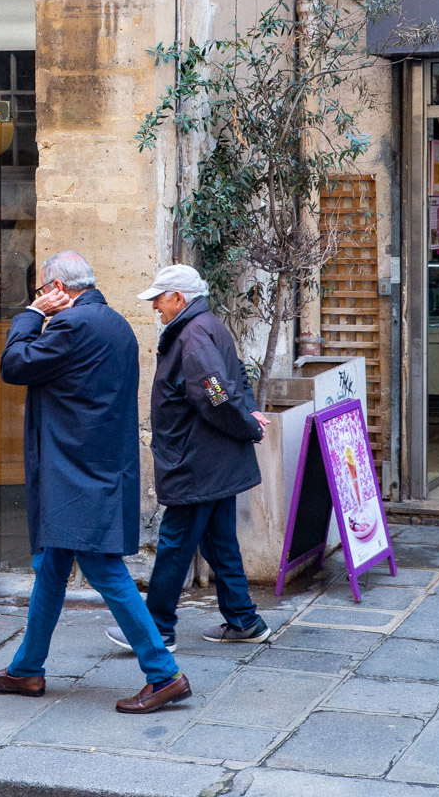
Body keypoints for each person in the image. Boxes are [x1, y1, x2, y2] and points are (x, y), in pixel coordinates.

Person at [0, 249, 191, 715]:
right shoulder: (114, 321)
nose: (40, 298)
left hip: (77, 473)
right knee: (52, 570)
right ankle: (27, 669)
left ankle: (163, 673)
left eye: (42, 290)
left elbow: (13, 366)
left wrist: (31, 315)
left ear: (58, 289)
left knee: (105, 571)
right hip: (95, 468)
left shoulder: (73, 326)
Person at [105, 264, 270, 655]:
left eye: (159, 300)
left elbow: (216, 394)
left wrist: (247, 422)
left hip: (197, 463)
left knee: (175, 543)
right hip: (212, 460)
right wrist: (248, 414)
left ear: (178, 298)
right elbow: (235, 381)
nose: (155, 308)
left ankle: (156, 629)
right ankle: (244, 620)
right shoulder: (205, 326)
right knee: (219, 541)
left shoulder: (193, 337)